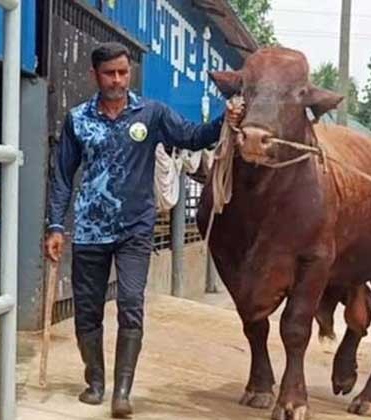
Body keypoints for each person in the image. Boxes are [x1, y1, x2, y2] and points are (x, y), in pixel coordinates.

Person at [44, 41, 243, 418]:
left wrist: (224, 121)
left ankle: (122, 391)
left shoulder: (151, 113)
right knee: (88, 311)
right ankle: (96, 382)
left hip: (135, 229)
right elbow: (63, 177)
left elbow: (193, 136)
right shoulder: (78, 119)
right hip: (89, 231)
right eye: (109, 74)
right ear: (95, 75)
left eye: (123, 72)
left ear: (129, 71)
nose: (117, 80)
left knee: (131, 303)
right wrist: (56, 224)